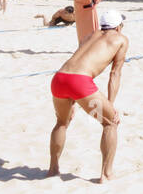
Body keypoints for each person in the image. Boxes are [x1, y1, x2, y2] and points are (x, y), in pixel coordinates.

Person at [47, 9, 128, 182]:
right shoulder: (121, 39)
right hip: (79, 82)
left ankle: (53, 169)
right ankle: (106, 174)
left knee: (61, 123)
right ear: (118, 27)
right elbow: (115, 75)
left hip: (60, 78)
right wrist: (110, 105)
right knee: (110, 122)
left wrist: (74, 99)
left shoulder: (90, 36)